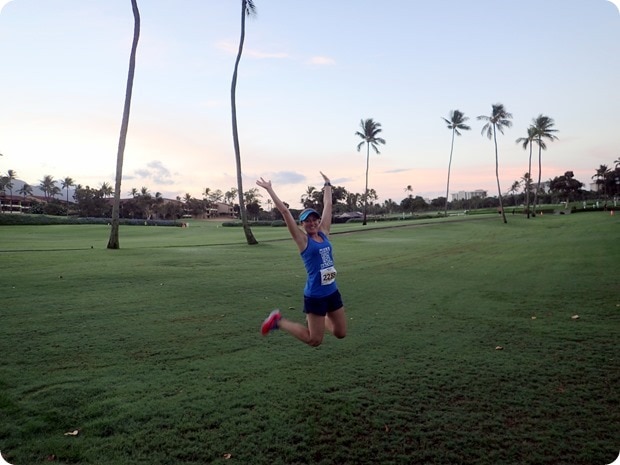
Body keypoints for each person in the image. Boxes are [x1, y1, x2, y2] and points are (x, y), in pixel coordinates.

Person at [256, 172, 347, 347]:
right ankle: (278, 321)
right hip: (316, 296)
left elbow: (328, 204)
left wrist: (327, 184)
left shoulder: (324, 233)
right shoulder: (303, 240)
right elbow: (284, 211)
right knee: (314, 340)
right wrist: (270, 189)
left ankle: (318, 319)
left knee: (340, 333)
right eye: (307, 221)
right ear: (301, 225)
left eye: (314, 219)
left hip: (332, 292)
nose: (312, 223)